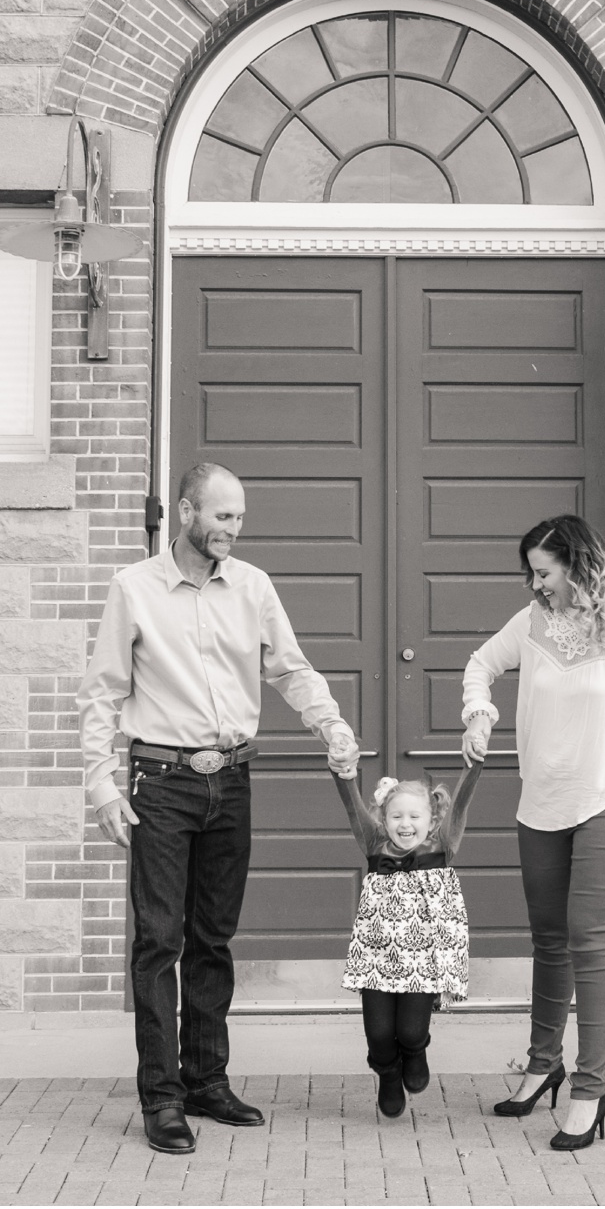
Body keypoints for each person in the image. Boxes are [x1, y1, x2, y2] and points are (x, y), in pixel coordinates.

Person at [75, 462, 357, 1154]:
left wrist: (333, 724)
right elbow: (103, 691)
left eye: (239, 517)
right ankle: (161, 1097)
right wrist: (101, 784)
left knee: (212, 937)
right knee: (158, 941)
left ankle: (207, 1080)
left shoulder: (252, 587)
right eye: (222, 516)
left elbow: (289, 668)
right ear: (185, 511)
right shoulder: (133, 588)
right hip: (160, 782)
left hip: (231, 781)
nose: (233, 529)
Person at [462, 514, 605, 1151]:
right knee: (548, 939)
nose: (536, 586)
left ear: (580, 567)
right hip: (542, 801)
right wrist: (478, 711)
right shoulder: (532, 624)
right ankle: (543, 1064)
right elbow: (480, 664)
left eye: (545, 572)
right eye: (531, 574)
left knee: (590, 938)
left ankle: (590, 1089)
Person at [325, 747, 484, 1119]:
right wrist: (342, 774)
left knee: (410, 1033)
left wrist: (473, 763)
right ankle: (389, 1072)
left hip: (425, 957)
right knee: (380, 1037)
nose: (405, 823)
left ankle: (414, 1052)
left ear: (433, 819)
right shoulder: (374, 844)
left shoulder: (443, 844)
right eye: (396, 816)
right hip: (377, 955)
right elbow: (352, 808)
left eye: (415, 815)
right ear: (384, 819)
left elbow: (461, 802)